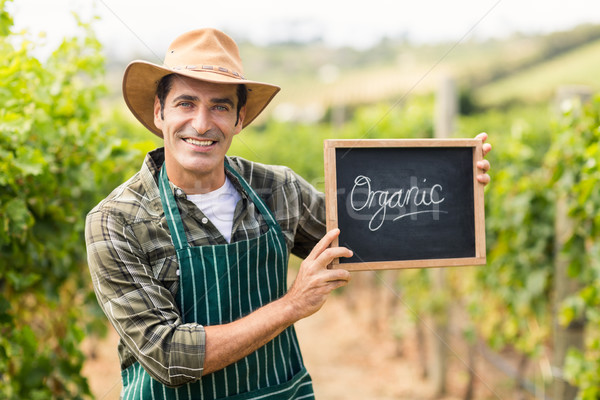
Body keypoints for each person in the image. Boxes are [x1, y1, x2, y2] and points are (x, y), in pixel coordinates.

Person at [85, 28, 491, 400]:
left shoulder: (279, 190)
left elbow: (371, 233)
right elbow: (168, 356)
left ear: (240, 118)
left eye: (220, 107)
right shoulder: (117, 222)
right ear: (160, 112)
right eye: (185, 103)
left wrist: (453, 184)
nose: (202, 123)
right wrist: (292, 304)